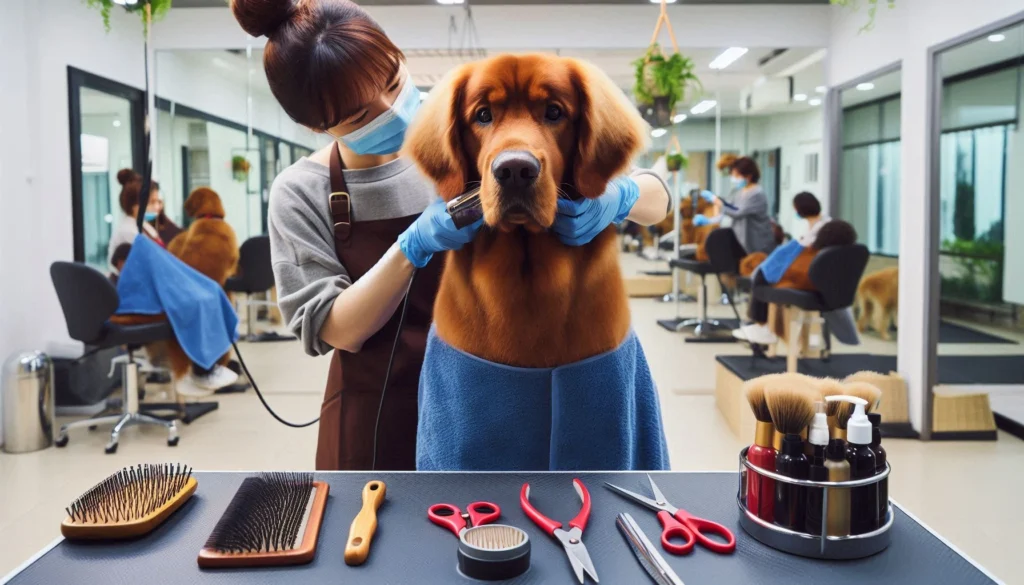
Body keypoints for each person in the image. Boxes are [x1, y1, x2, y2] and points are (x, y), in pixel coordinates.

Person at [230, 0, 671, 471]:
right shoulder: (301, 191)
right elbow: (335, 329)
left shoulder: (458, 140)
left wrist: (619, 197)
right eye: (361, 115)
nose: (391, 112)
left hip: (482, 397)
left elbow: (658, 198)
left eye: (394, 83)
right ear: (313, 125)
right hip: (378, 411)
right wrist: (412, 246)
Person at [694, 156, 776, 256]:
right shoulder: (738, 191)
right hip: (741, 241)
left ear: (748, 176)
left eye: (737, 176)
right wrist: (710, 220)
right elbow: (727, 208)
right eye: (733, 175)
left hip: (758, 243)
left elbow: (737, 212)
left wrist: (715, 200)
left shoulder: (757, 194)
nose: (734, 179)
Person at [108, 169, 163, 267]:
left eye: (158, 202)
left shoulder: (143, 226)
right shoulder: (128, 232)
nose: (157, 207)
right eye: (152, 202)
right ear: (135, 206)